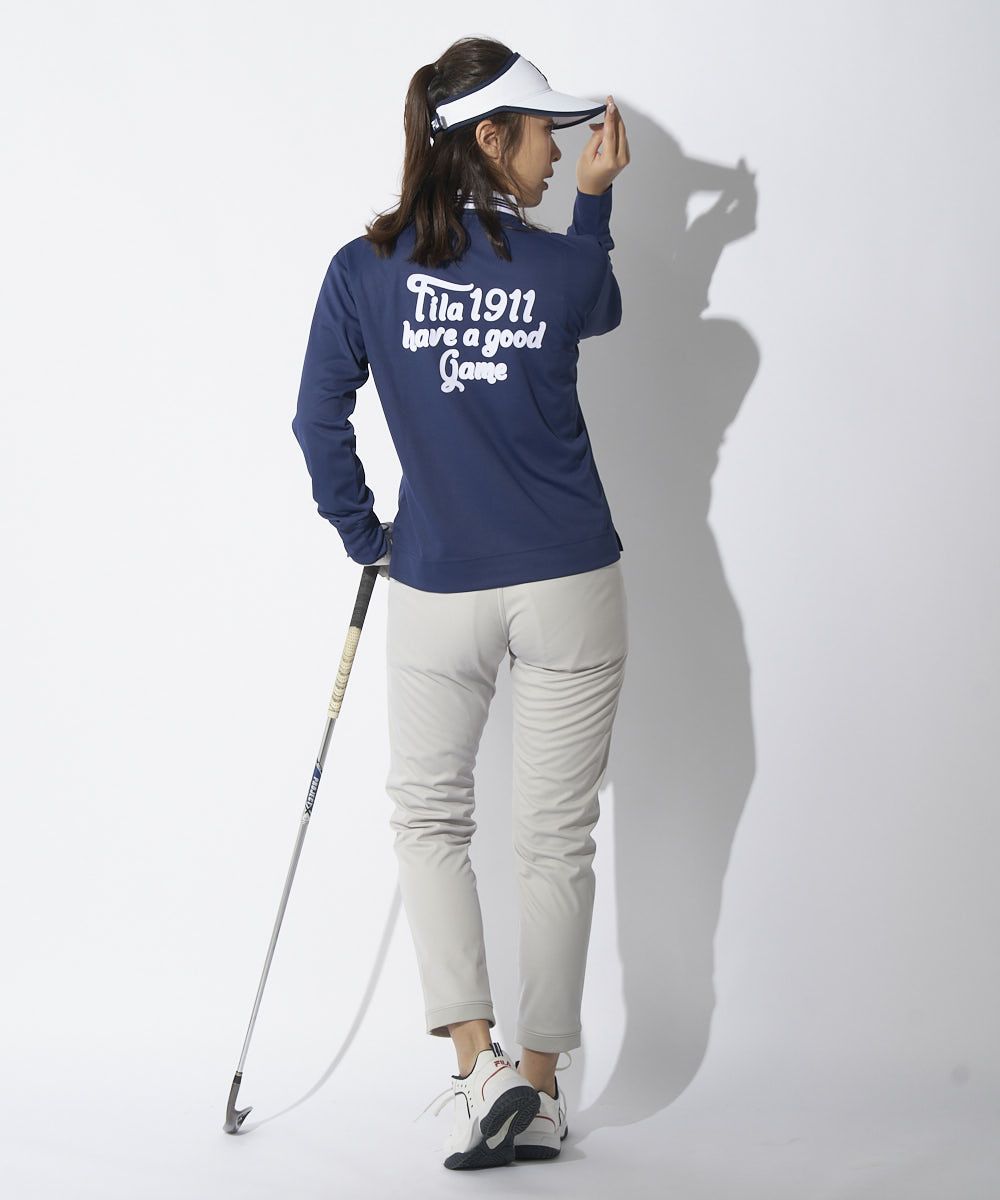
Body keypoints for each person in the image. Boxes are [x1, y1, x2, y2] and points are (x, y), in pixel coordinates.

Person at [291, 37, 630, 1170]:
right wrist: (596, 209)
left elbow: (316, 419)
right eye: (544, 133)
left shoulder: (363, 270)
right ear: (489, 137)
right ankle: (538, 1086)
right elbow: (599, 302)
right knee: (556, 839)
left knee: (432, 822)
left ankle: (480, 1070)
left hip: (438, 584)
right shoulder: (562, 266)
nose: (560, 154)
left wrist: (367, 537)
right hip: (569, 580)